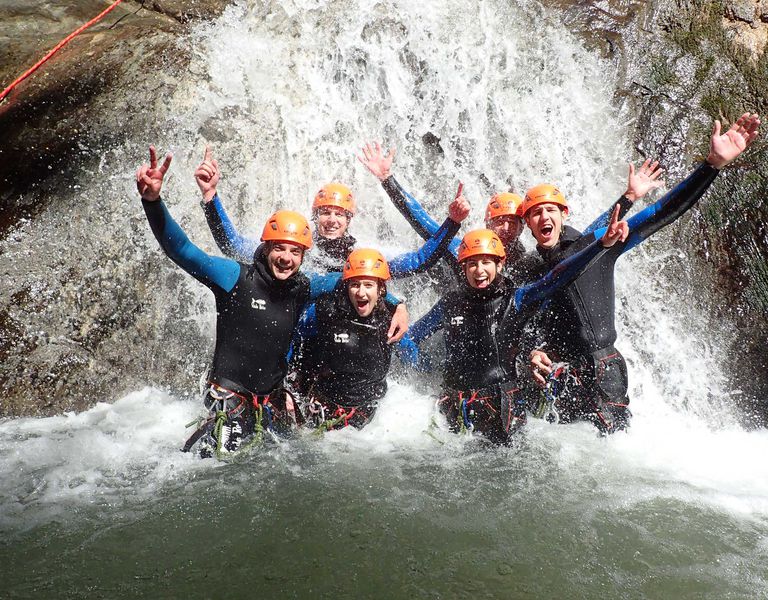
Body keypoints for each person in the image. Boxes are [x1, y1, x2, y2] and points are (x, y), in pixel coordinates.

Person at [525, 113, 761, 434]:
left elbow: (661, 213)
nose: (543, 218)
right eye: (535, 214)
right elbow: (537, 324)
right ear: (528, 224)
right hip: (564, 375)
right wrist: (535, 352)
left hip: (602, 370)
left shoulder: (598, 245)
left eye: (549, 210)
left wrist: (711, 165)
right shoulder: (532, 272)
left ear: (563, 214)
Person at [137, 145, 313, 458]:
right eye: (280, 249)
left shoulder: (301, 288)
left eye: (295, 252)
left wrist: (397, 302)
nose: (286, 258)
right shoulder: (235, 277)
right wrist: (153, 202)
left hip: (271, 403)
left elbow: (350, 281)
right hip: (229, 400)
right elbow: (183, 251)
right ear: (265, 247)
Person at [405, 205, 630, 445]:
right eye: (472, 264)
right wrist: (418, 368)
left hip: (501, 407)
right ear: (463, 267)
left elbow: (560, 273)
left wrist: (600, 245)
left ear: (499, 265)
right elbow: (409, 337)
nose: (479, 270)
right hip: (454, 404)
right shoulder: (450, 303)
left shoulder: (517, 298)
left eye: (486, 263)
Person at [193, 146, 462, 280]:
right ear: (314, 217)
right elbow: (232, 245)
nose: (332, 220)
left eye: (339, 214)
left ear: (349, 220)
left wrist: (452, 224)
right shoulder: (293, 250)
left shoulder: (363, 255)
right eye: (325, 213)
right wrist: (211, 198)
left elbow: (417, 262)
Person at [291, 249, 422, 430]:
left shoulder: (390, 321)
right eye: (355, 285)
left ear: (380, 289)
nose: (361, 293)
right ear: (346, 287)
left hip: (370, 416)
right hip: (324, 405)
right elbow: (296, 338)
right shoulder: (325, 311)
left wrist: (423, 384)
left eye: (368, 285)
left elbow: (411, 355)